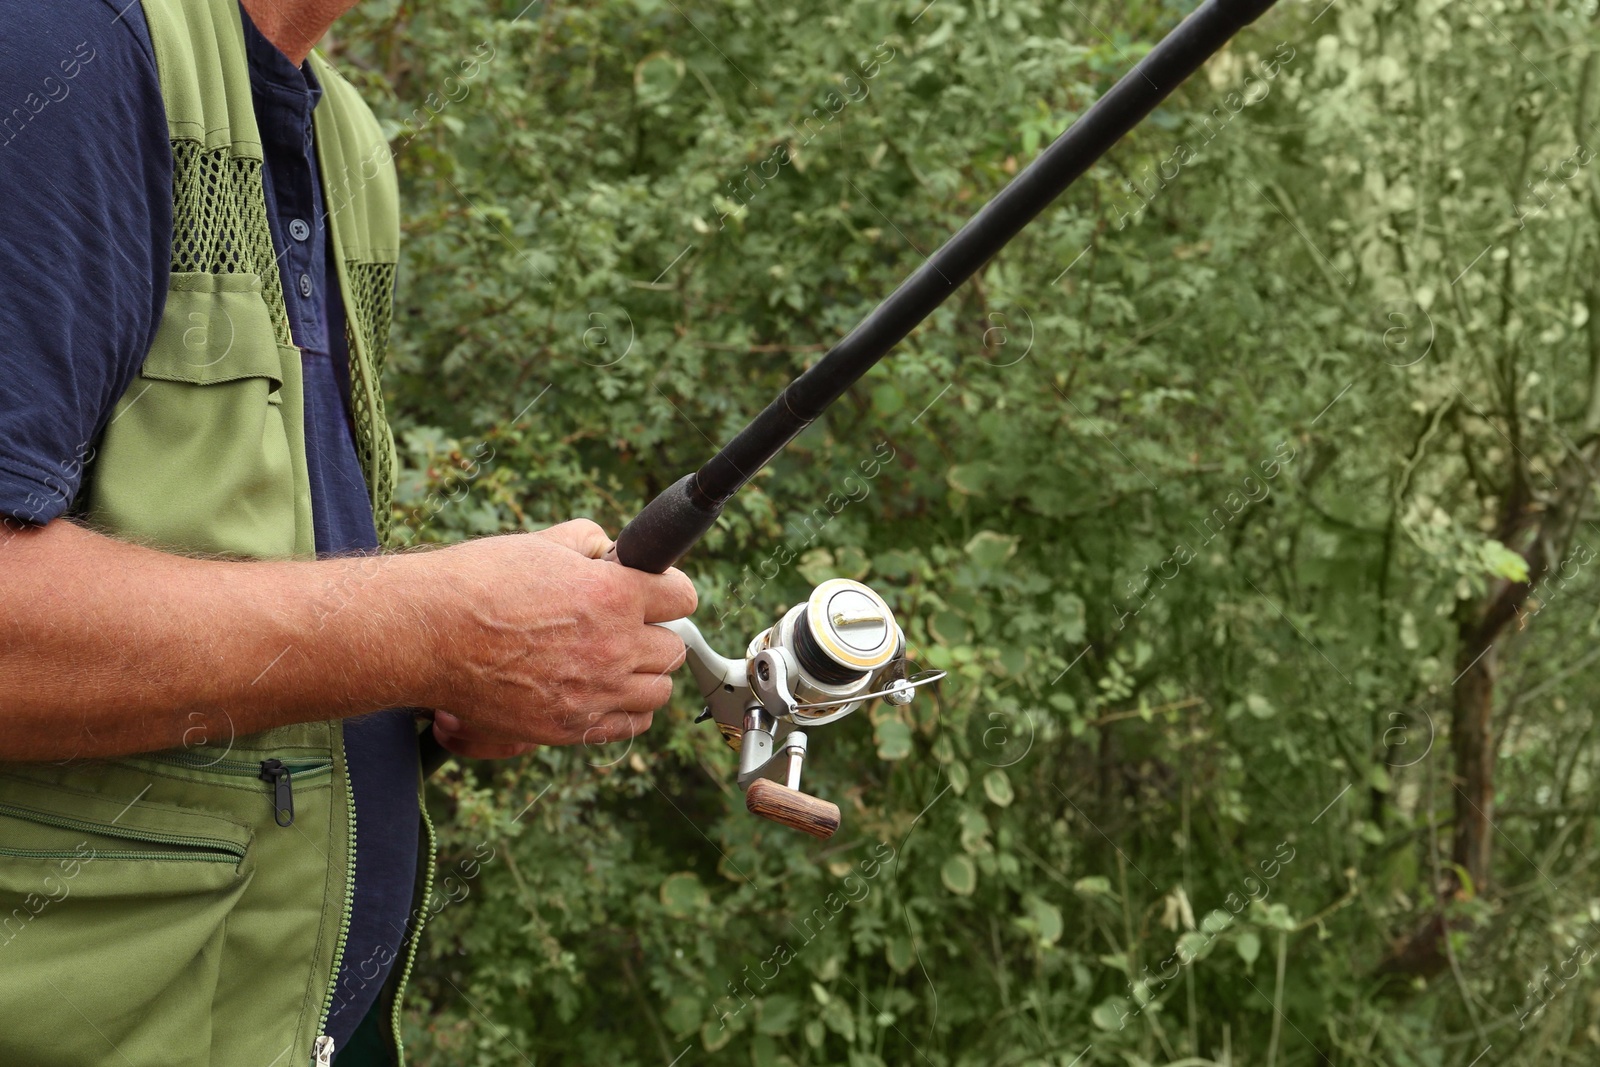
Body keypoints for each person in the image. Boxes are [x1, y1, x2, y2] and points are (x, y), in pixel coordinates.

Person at [0, 1, 696, 1064]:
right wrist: (432, 625)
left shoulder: (348, 140)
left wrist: (475, 666)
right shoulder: (60, 45)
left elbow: (266, 581)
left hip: (298, 1016)